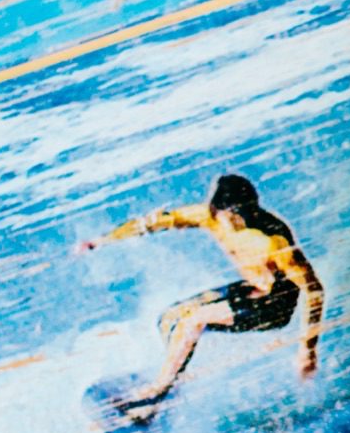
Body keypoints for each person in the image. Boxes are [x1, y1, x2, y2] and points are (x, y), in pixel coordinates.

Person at [78, 174, 324, 419]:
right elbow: (152, 223)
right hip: (250, 288)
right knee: (170, 317)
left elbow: (314, 289)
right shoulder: (210, 216)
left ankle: (153, 398)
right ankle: (172, 375)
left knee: (193, 320)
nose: (230, 224)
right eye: (224, 216)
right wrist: (103, 240)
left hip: (274, 306)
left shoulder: (273, 242)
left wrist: (308, 349)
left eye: (237, 217)